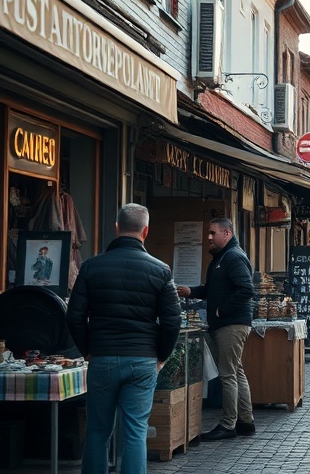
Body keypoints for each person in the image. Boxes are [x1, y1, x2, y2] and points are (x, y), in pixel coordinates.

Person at [66, 203, 180, 474]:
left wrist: (87, 350)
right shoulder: (161, 270)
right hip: (142, 360)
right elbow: (172, 321)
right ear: (146, 231)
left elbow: (74, 316)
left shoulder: (91, 267)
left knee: (97, 430)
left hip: (102, 357)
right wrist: (161, 356)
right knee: (136, 431)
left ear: (116, 228)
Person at [176, 217, 256, 439]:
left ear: (227, 233)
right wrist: (190, 291)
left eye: (213, 233)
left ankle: (228, 424)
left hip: (231, 324)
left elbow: (246, 289)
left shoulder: (233, 257)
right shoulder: (222, 258)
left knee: (227, 374)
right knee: (236, 371)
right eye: (208, 233)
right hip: (229, 323)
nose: (209, 237)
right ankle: (246, 421)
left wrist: (222, 310)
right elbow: (211, 289)